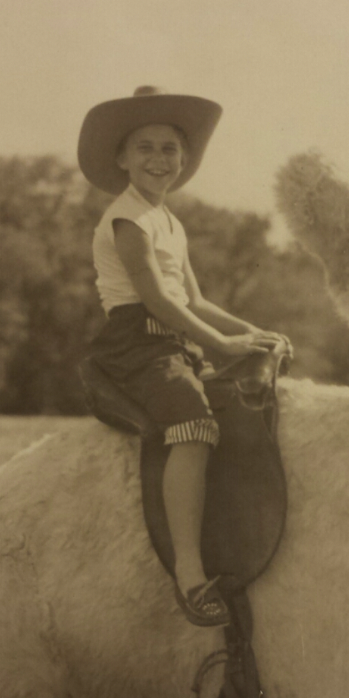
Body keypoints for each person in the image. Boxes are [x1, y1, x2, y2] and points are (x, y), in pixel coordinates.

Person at [78, 86, 284, 627]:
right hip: (135, 344)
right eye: (144, 148)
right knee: (195, 425)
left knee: (257, 392)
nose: (157, 159)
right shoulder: (127, 220)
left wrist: (255, 333)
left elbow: (194, 300)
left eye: (169, 149)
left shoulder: (171, 222)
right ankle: (190, 573)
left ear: (184, 160)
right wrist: (223, 346)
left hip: (174, 337)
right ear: (121, 158)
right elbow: (156, 298)